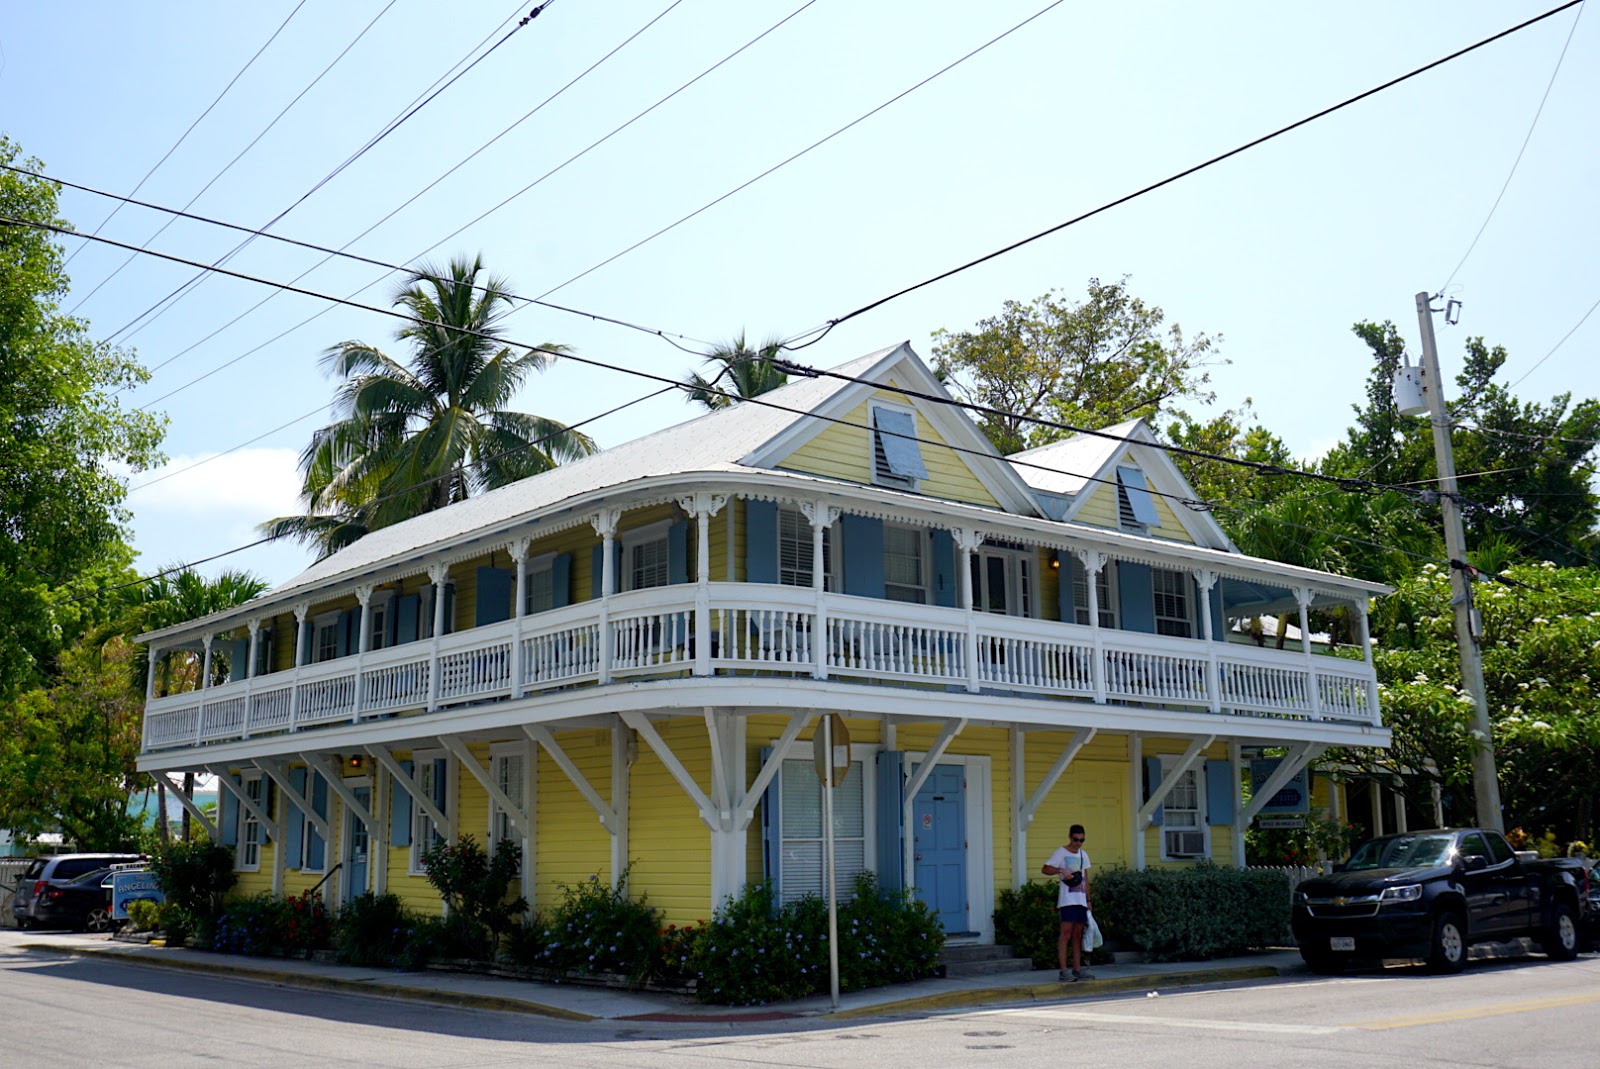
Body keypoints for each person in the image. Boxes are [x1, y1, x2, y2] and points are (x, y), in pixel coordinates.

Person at [1042, 824, 1093, 982]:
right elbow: (1045, 869)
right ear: (1070, 837)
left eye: (1082, 840)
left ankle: (1077, 969)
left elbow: (1085, 878)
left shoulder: (1083, 855)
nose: (1078, 843)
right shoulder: (1061, 853)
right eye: (1076, 839)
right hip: (1067, 900)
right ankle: (1064, 971)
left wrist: (1088, 900)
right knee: (1066, 934)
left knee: (1078, 935)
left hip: (1080, 900)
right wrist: (1060, 870)